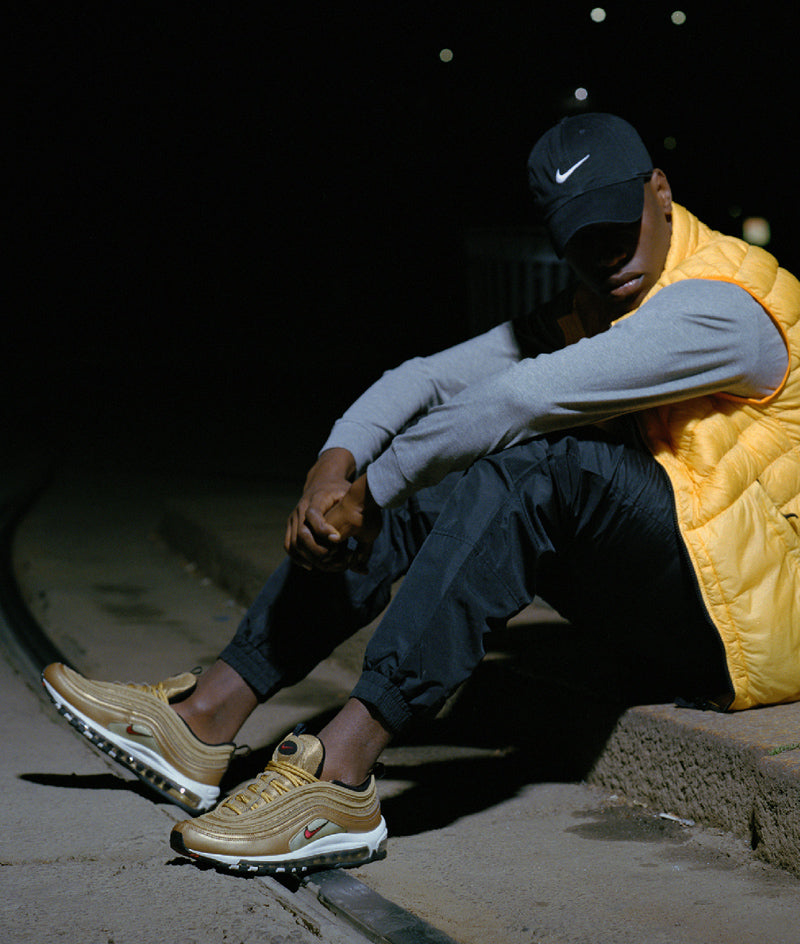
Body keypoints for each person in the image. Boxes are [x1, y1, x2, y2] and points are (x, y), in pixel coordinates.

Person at [42, 112, 800, 877]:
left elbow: (515, 402)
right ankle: (205, 719)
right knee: (454, 472)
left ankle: (341, 775)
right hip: (689, 594)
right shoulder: (596, 307)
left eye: (618, 223)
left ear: (661, 193)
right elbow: (427, 378)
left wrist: (368, 494)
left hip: (763, 629)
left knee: (537, 465)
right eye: (580, 237)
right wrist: (332, 467)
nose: (606, 254)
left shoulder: (726, 306)